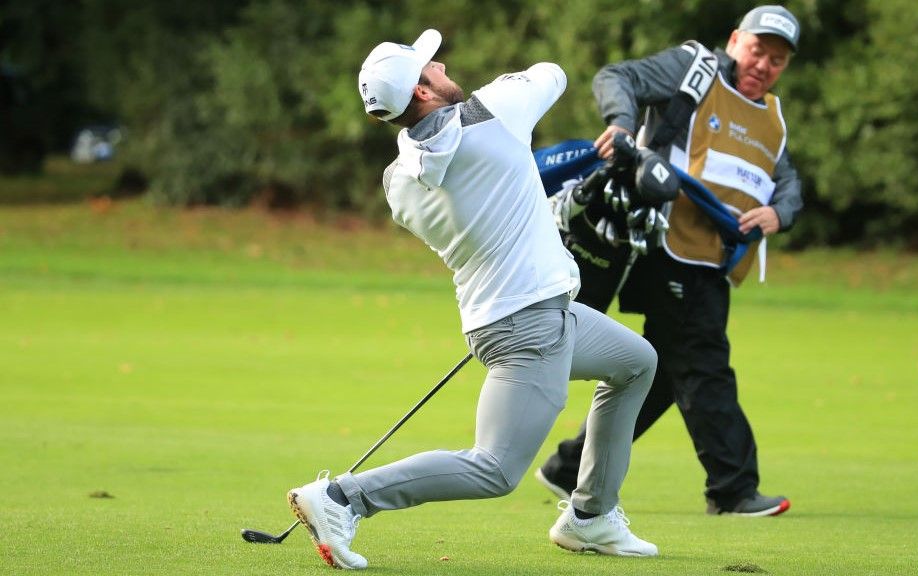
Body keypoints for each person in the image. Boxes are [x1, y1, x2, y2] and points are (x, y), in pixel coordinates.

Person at [286, 29, 660, 570]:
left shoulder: (397, 184)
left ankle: (592, 516)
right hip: (529, 325)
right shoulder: (495, 111)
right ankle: (342, 498)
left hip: (516, 315)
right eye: (430, 68)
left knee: (637, 362)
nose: (440, 65)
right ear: (422, 91)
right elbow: (551, 73)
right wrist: (494, 102)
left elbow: (440, 157)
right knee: (495, 469)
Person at [536, 5, 804, 517]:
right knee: (704, 362)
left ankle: (569, 468)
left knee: (659, 373)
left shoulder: (773, 117)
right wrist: (620, 124)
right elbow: (617, 77)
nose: (764, 65)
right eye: (757, 49)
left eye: (777, 58)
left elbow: (788, 180)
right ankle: (733, 489)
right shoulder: (694, 69)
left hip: (709, 260)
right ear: (734, 40)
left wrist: (778, 212)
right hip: (657, 245)